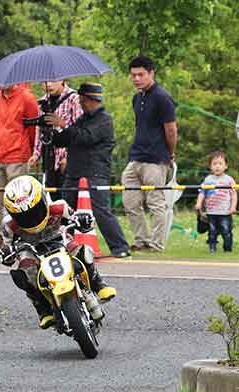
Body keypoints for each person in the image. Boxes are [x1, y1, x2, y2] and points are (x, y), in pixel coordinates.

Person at [0, 175, 116, 329]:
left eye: (35, 211)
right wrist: (6, 254)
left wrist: (83, 219)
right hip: (31, 249)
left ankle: (98, 284)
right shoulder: (8, 225)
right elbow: (6, 247)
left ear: (44, 199)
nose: (32, 218)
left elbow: (79, 219)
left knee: (82, 251)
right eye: (24, 217)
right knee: (25, 273)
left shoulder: (59, 207)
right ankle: (43, 309)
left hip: (59, 240)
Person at [49, 83, 130, 258]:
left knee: (100, 211)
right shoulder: (83, 119)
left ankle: (120, 247)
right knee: (66, 210)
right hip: (74, 173)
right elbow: (65, 140)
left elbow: (86, 137)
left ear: (90, 99)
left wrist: (63, 123)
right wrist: (54, 128)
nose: (80, 103)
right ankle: (60, 244)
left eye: (82, 99)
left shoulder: (104, 120)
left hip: (94, 173)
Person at [121, 56, 177, 253]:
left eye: (141, 75)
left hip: (156, 159)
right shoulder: (137, 98)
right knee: (129, 201)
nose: (136, 79)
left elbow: (171, 130)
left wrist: (170, 154)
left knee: (156, 203)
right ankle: (141, 240)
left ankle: (157, 244)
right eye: (133, 75)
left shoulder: (163, 97)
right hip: (135, 157)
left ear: (151, 73)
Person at [0, 83, 39, 255]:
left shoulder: (26, 97)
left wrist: (34, 151)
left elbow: (34, 127)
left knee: (19, 201)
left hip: (18, 154)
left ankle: (20, 237)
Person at [28, 80, 81, 188]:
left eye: (53, 81)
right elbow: (40, 129)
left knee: (67, 199)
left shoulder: (74, 99)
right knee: (51, 198)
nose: (49, 85)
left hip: (67, 160)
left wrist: (69, 157)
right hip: (49, 158)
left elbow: (78, 130)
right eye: (44, 82)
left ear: (62, 80)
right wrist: (36, 154)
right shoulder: (42, 102)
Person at [195, 150, 236, 253]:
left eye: (220, 164)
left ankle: (227, 249)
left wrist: (233, 207)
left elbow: (234, 195)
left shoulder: (229, 180)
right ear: (210, 166)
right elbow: (202, 193)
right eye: (214, 164)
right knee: (212, 232)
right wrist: (199, 203)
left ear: (226, 166)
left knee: (226, 231)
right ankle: (212, 249)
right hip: (211, 213)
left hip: (225, 212)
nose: (217, 166)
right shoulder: (208, 179)